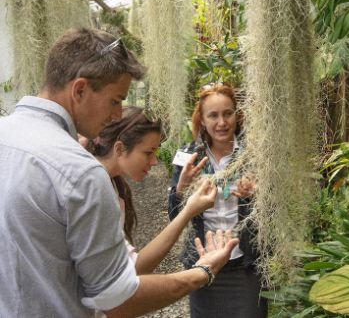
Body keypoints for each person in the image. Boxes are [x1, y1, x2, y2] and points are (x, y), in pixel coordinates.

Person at [0, 28, 239, 318]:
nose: (117, 115)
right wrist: (202, 272)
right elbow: (116, 299)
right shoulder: (79, 172)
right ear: (80, 90)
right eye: (115, 100)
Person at [168, 83, 268, 318]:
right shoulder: (189, 157)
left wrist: (257, 195)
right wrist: (181, 189)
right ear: (202, 120)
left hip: (245, 265)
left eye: (227, 113)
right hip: (203, 263)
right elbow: (175, 216)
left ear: (236, 114)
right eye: (213, 115)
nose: (222, 123)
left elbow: (275, 209)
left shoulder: (256, 154)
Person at [87, 106, 219, 275]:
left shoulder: (110, 183)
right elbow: (131, 269)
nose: (155, 161)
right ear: (119, 148)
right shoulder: (94, 189)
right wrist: (188, 211)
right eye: (148, 153)